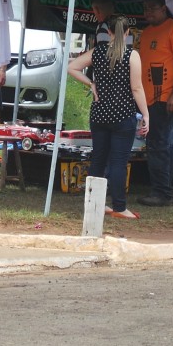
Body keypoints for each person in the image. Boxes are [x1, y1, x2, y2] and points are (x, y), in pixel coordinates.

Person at [69, 15, 150, 219]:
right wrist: (146, 114)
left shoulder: (97, 51)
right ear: (128, 33)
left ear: (109, 32)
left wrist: (91, 83)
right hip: (123, 114)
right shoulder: (132, 55)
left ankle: (95, 203)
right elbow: (137, 88)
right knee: (118, 162)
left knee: (98, 158)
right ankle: (120, 207)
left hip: (99, 114)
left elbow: (72, 67)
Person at [135, 0, 173, 207]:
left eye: (152, 8)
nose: (148, 12)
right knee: (162, 145)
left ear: (163, 8)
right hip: (149, 98)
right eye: (145, 8)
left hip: (168, 98)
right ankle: (164, 190)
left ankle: (161, 192)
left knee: (158, 144)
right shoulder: (148, 32)